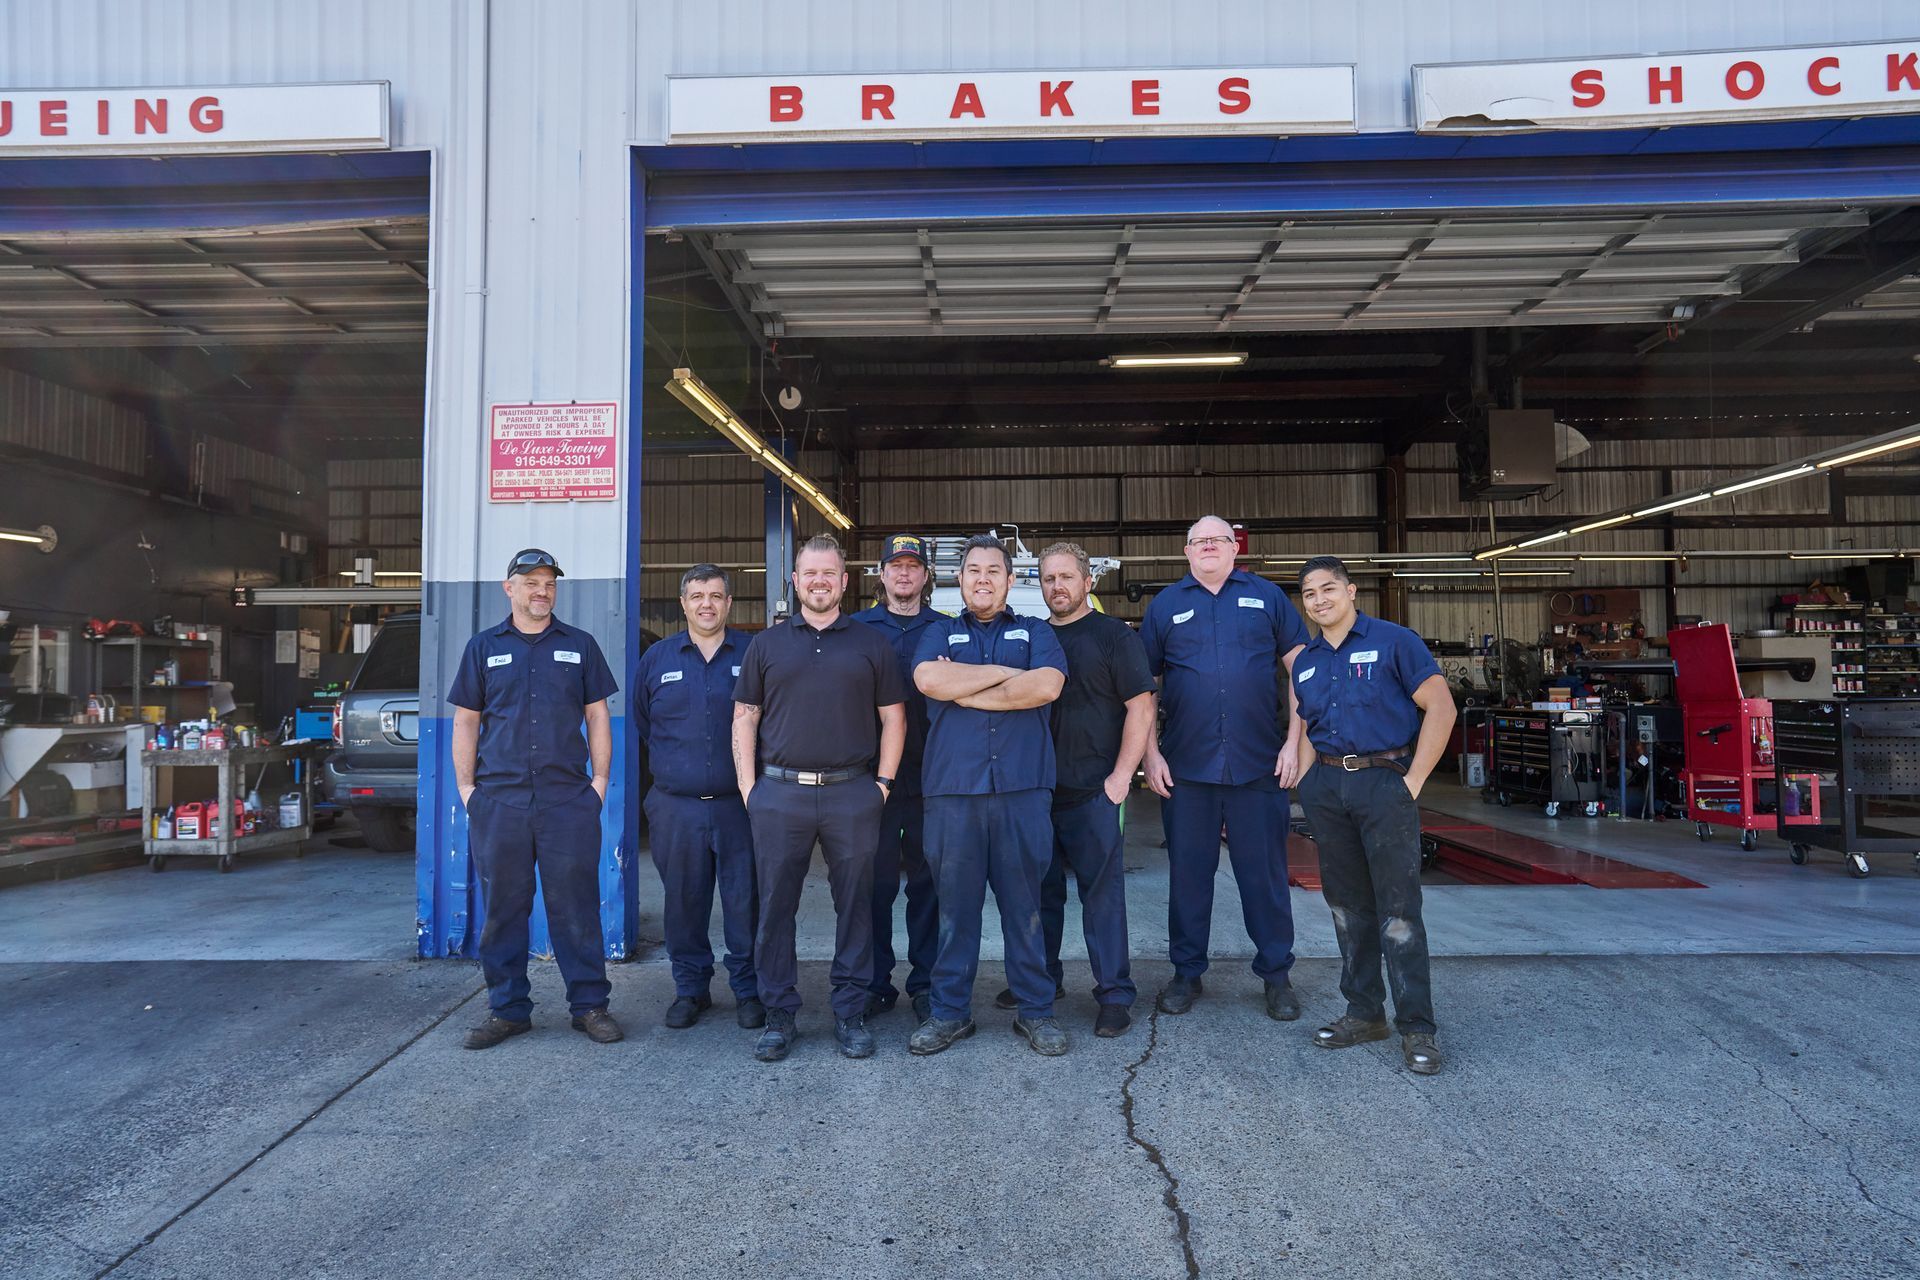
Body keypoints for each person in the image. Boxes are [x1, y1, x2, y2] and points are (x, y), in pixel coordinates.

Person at [732, 534, 907, 1062]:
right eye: (810, 573)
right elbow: (745, 717)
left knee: (855, 905)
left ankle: (850, 1011)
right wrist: (749, 788)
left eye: (829, 573)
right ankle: (779, 1013)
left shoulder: (871, 643)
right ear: (795, 580)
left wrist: (882, 784)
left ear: (845, 581)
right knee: (775, 907)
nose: (819, 582)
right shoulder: (766, 644)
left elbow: (893, 717)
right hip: (779, 793)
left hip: (852, 792)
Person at [449, 548, 622, 1050]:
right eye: (530, 582)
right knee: (504, 910)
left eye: (548, 583)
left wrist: (600, 784)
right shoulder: (483, 648)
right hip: (499, 802)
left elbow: (597, 717)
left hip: (567, 800)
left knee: (576, 908)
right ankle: (508, 1010)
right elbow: (466, 721)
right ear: (509, 589)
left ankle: (590, 1007)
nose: (540, 591)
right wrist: (467, 790)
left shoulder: (580, 645)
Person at [1290, 556, 1456, 1075]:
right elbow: (1305, 726)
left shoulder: (1393, 641)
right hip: (1327, 787)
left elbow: (1442, 707)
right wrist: (1304, 783)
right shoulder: (1306, 661)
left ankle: (1417, 1028)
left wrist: (1412, 783)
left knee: (1399, 912)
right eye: (1310, 593)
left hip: (1385, 783)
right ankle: (1364, 1013)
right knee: (1346, 907)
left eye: (1328, 589)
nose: (1319, 599)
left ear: (1351, 591)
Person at [1141, 515, 1309, 1022]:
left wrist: (1295, 744)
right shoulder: (1166, 606)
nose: (1209, 547)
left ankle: (1276, 975)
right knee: (1189, 877)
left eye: (1218, 539)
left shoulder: (1269, 598)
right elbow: (1144, 687)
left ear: (1234, 547)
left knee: (1264, 876)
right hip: (1187, 768)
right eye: (1199, 541)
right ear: (1186, 551)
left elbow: (1302, 670)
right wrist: (1150, 753)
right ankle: (1186, 973)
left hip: (1258, 764)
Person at [910, 534, 1070, 1057]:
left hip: (1023, 790)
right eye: (973, 569)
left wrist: (967, 689)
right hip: (953, 792)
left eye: (993, 571)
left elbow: (1046, 687)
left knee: (1025, 907)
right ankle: (950, 1013)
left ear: (1010, 579)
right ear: (960, 578)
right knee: (955, 909)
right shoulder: (938, 631)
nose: (982, 578)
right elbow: (930, 679)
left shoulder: (1037, 632)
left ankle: (1036, 1011)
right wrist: (1006, 677)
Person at [991, 542, 1152, 1038]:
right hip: (1036, 792)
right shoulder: (1031, 638)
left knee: (1102, 898)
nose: (1057, 586)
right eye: (1048, 579)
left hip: (1094, 792)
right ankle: (1043, 981)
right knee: (1040, 897)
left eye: (1066, 577)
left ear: (1088, 582)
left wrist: (1122, 778)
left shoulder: (1113, 636)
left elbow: (1141, 707)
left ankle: (1114, 994)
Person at [633, 565, 761, 1031]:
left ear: (730, 603)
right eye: (697, 595)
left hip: (740, 806)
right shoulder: (656, 659)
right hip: (676, 807)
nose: (706, 603)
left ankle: (749, 991)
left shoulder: (753, 653)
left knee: (745, 902)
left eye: (715, 595)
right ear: (683, 603)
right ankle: (691, 990)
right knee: (683, 902)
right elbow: (644, 723)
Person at [851, 533, 947, 1024]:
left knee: (929, 886)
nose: (904, 574)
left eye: (913, 566)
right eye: (896, 566)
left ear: (925, 575)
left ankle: (927, 984)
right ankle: (874, 982)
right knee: (876, 884)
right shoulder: (857, 629)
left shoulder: (949, 630)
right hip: (874, 781)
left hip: (934, 780)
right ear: (881, 574)